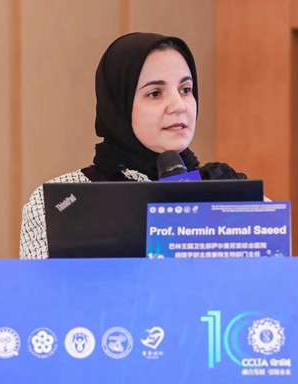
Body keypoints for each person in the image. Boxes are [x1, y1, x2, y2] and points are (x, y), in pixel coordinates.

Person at [20, 32, 264, 260]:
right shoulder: (60, 202)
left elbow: (271, 283)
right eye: (155, 93)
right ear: (119, 106)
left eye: (185, 90)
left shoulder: (230, 192)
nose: (179, 106)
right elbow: (42, 289)